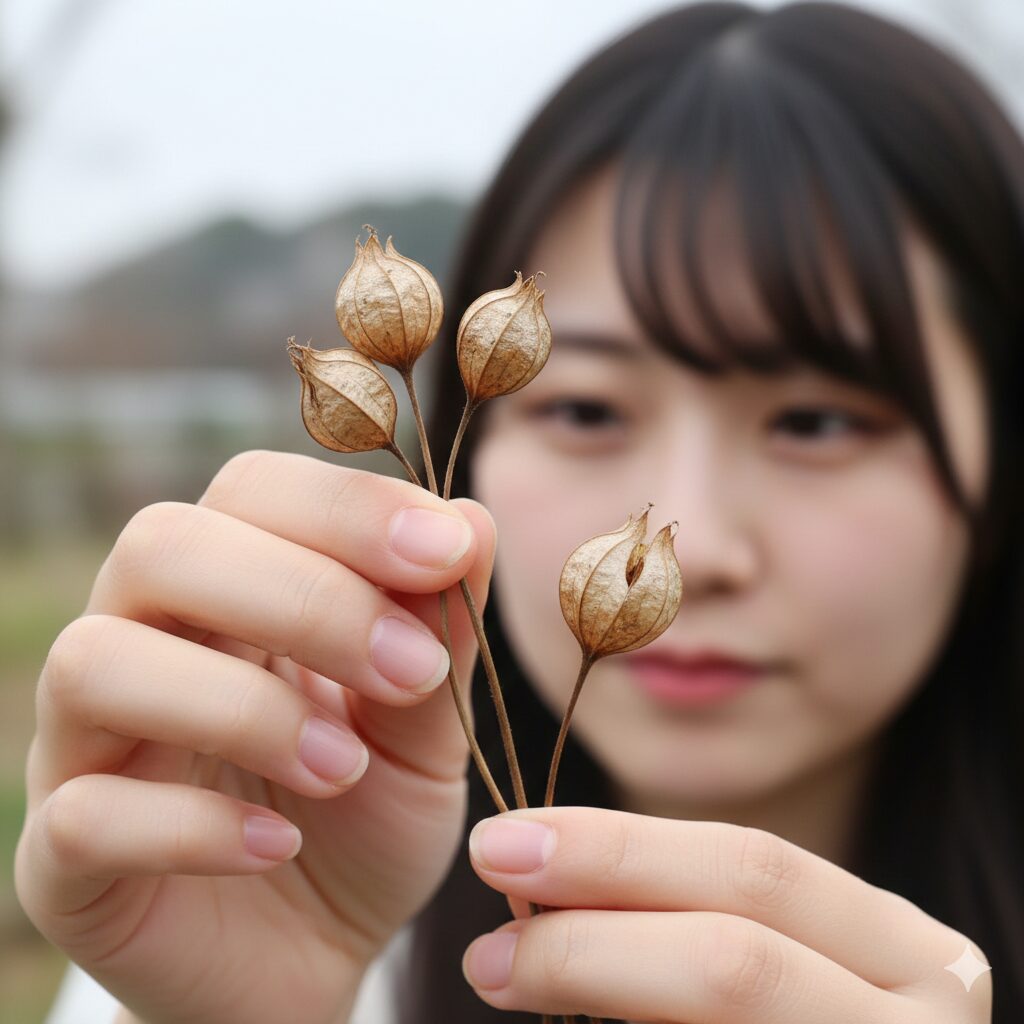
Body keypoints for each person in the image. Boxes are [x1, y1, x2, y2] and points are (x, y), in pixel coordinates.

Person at [20, 1, 1024, 1022]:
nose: (694, 541)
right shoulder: (260, 898)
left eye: (815, 420)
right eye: (585, 407)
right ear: (471, 443)